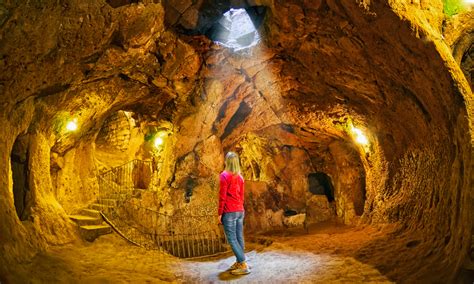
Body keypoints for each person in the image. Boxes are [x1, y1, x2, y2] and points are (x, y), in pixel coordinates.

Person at [218, 151, 250, 275]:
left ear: (227, 162)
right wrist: (240, 208)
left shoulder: (224, 176)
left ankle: (243, 263)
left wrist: (220, 213)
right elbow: (241, 196)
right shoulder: (240, 177)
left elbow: (222, 197)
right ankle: (239, 261)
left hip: (229, 211)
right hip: (240, 210)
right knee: (239, 237)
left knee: (231, 238)